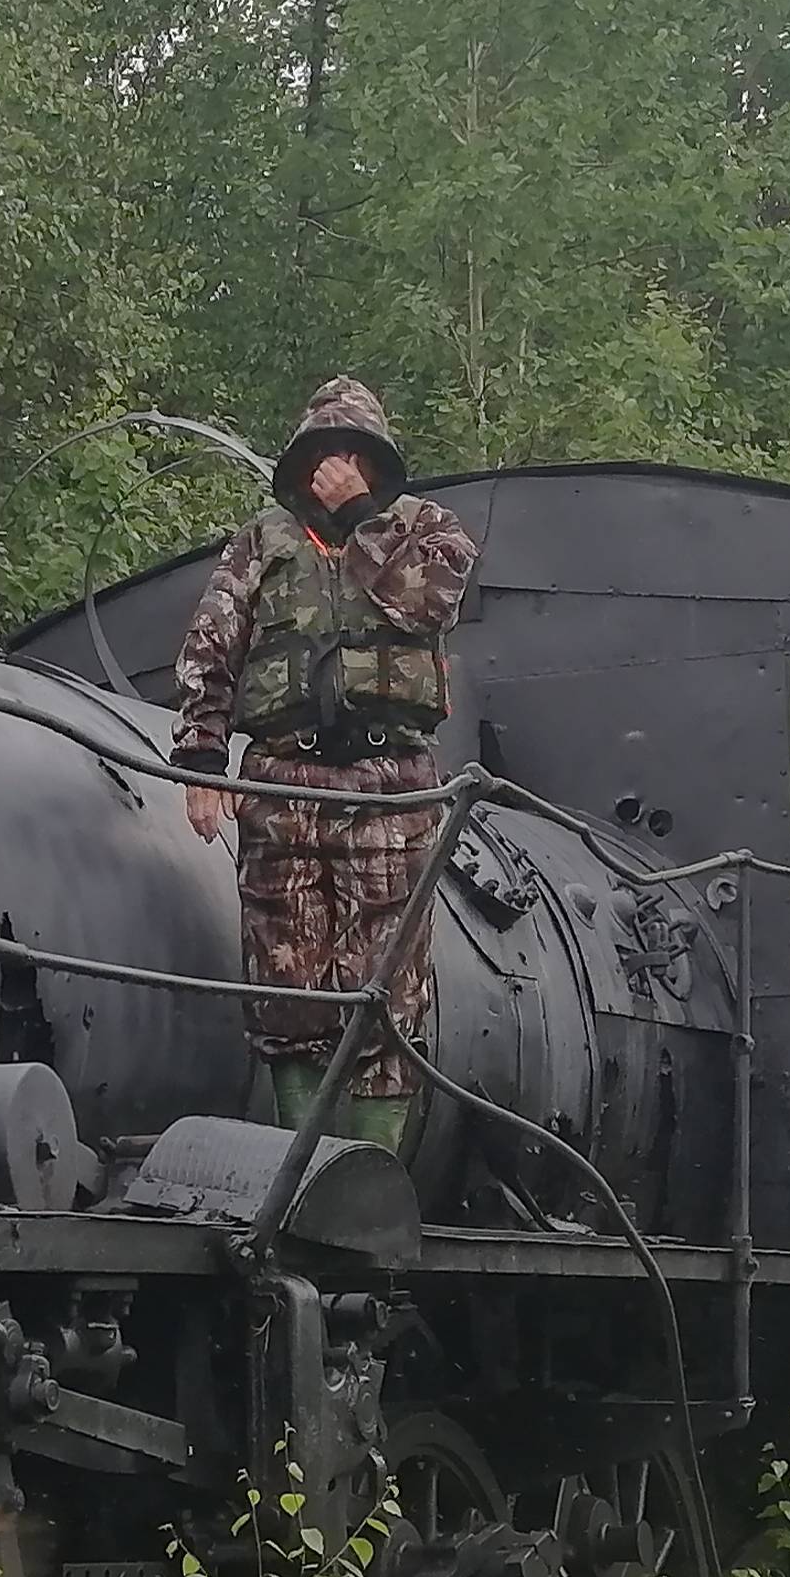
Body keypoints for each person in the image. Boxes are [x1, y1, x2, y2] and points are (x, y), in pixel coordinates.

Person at [168, 379, 479, 1143]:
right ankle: (295, 1176)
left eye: (354, 455)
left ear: (377, 462)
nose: (336, 467)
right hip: (282, 783)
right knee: (285, 985)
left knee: (390, 993)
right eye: (323, 454)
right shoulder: (262, 541)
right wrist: (204, 763)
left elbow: (426, 601)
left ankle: (369, 1186)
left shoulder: (428, 532)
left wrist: (361, 518)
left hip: (391, 789)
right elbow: (212, 646)